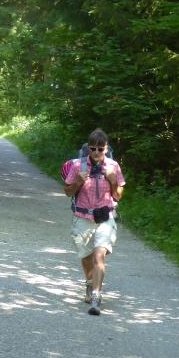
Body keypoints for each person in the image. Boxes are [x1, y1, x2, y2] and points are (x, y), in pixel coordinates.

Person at [64, 129, 126, 316]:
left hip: (105, 217)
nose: (97, 152)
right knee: (85, 257)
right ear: (88, 148)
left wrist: (113, 181)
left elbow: (118, 196)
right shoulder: (77, 166)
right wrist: (78, 182)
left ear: (106, 148)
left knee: (99, 255)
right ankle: (90, 283)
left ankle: (96, 295)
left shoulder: (114, 166)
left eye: (101, 148)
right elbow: (67, 192)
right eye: (93, 148)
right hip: (82, 217)